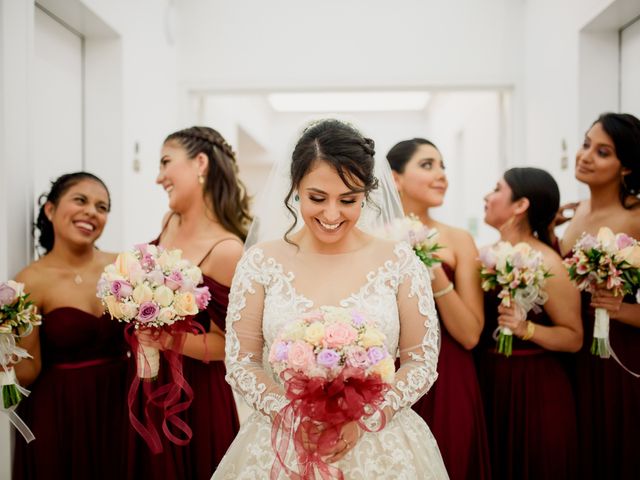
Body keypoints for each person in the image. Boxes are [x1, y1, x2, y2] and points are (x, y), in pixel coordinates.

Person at [213, 119, 448, 479]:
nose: (332, 214)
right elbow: (242, 362)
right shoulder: (261, 262)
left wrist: (364, 418)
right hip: (285, 441)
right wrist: (291, 416)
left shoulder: (399, 262)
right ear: (295, 189)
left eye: (348, 200)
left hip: (379, 446)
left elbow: (420, 362)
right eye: (317, 198)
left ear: (367, 195)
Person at [127, 127, 248, 480]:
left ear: (200, 163)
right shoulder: (170, 221)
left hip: (197, 398)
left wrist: (166, 340)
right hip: (148, 383)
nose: (158, 177)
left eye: (166, 162)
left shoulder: (227, 250)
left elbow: (228, 346)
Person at [12, 172, 129, 480]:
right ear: (50, 210)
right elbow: (28, 370)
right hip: (58, 411)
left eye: (101, 207)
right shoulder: (29, 281)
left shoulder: (123, 267)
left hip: (119, 405)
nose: (92, 211)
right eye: (80, 200)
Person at [387, 138, 490, 480]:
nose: (441, 174)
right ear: (395, 178)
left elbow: (471, 333)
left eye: (443, 166)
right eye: (427, 165)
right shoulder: (369, 238)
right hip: (385, 371)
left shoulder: (459, 239)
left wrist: (430, 270)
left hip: (449, 372)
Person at [478, 167, 582, 479]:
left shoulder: (547, 262)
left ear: (520, 205)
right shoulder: (484, 256)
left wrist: (526, 329)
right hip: (490, 380)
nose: (487, 196)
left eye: (497, 189)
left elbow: (574, 337)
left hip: (534, 388)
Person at [557, 113, 640, 479]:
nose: (585, 156)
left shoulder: (636, 216)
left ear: (627, 167)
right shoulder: (578, 210)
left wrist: (623, 311)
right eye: (586, 143)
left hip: (619, 350)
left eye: (602, 151)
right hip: (576, 347)